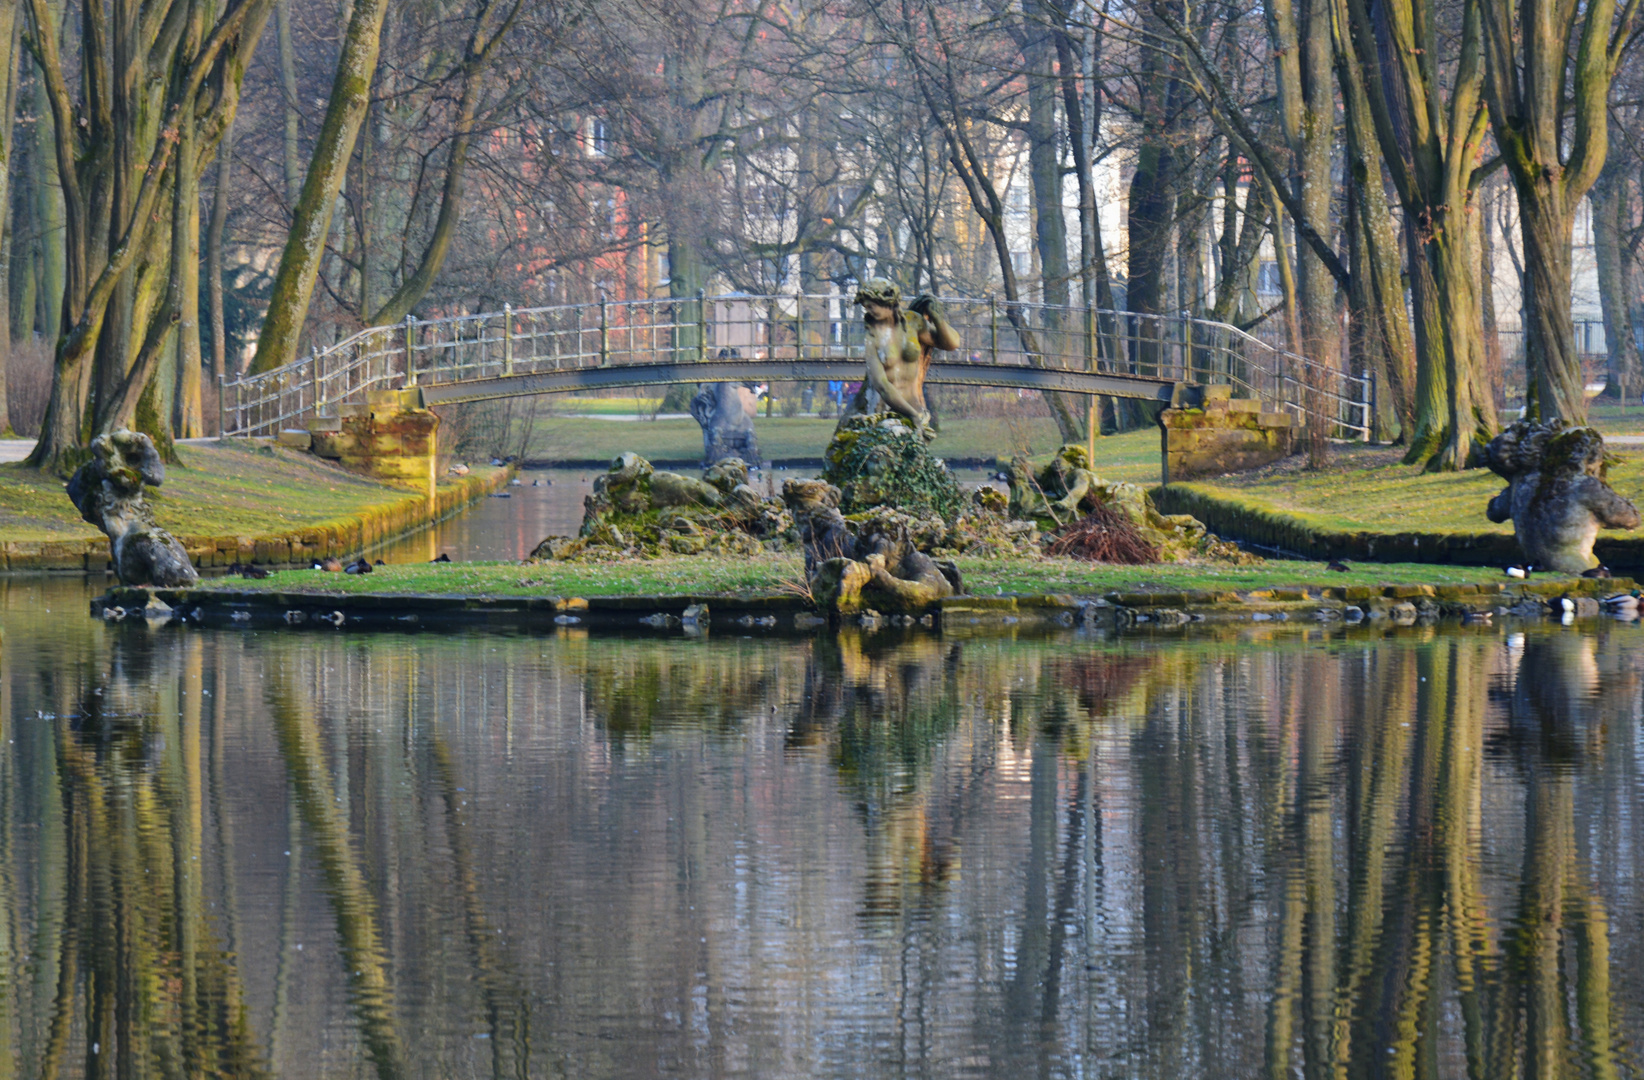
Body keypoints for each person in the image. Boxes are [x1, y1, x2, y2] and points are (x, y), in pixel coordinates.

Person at [836, 278, 960, 441]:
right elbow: (882, 385)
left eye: (871, 306)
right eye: (866, 307)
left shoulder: (912, 322)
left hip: (915, 409)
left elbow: (951, 343)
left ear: (887, 301)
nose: (868, 311)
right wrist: (911, 415)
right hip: (884, 412)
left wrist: (937, 319)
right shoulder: (872, 337)